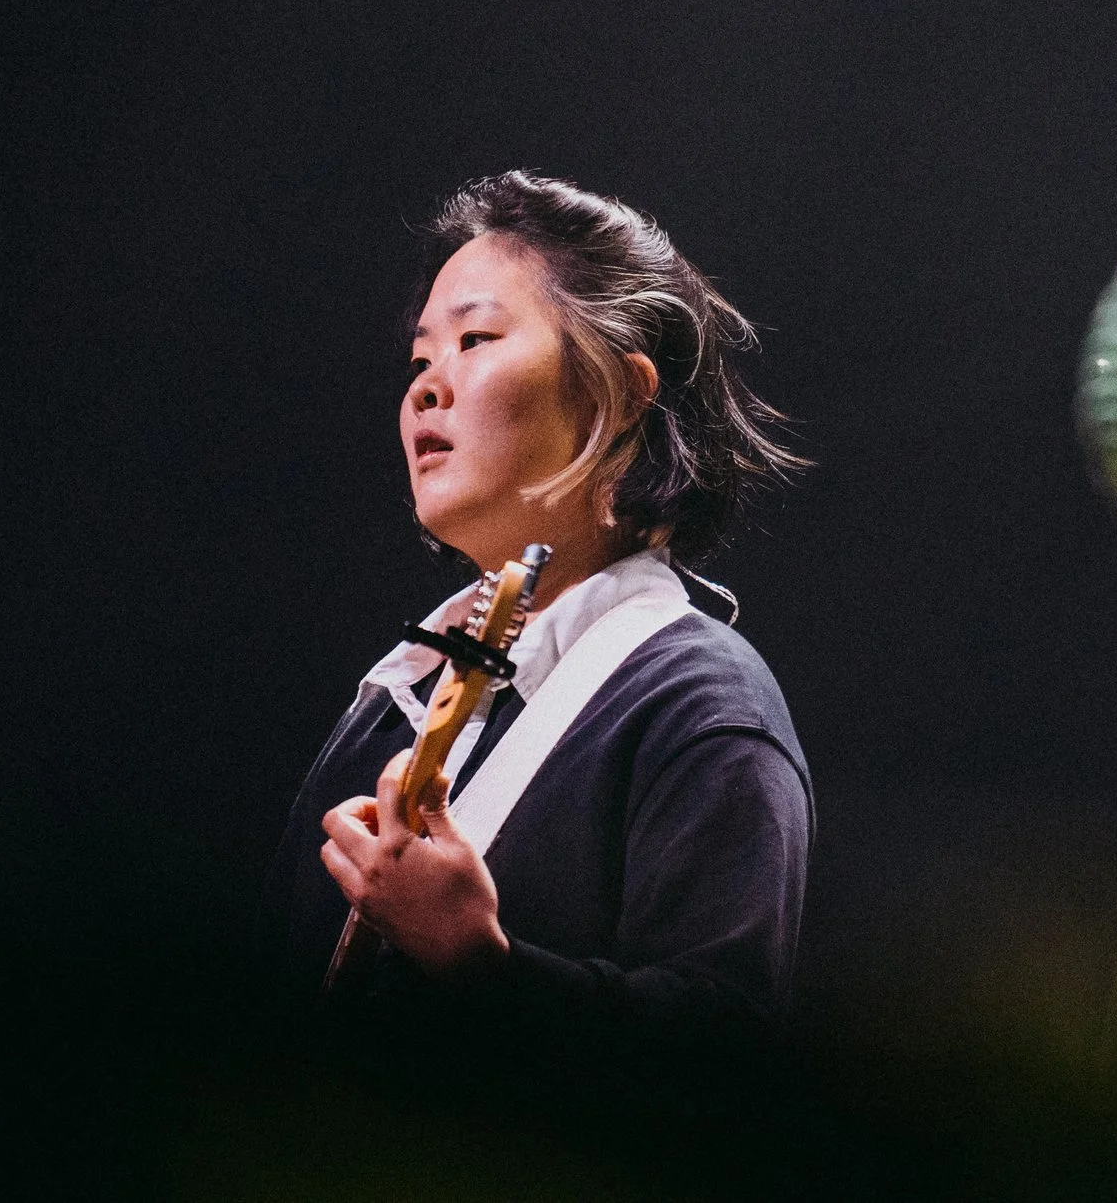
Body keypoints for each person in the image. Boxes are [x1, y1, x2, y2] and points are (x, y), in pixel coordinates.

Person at [256, 171, 811, 1044]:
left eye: (475, 339)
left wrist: (477, 964)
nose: (426, 387)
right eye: (420, 359)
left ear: (619, 393)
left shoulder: (699, 704)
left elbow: (725, 1062)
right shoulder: (393, 697)